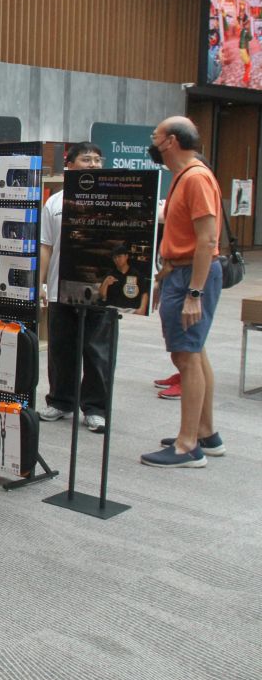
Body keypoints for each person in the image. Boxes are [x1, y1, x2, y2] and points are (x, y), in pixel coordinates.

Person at [142, 117, 224, 468]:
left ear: (171, 141)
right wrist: (166, 274)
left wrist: (194, 292)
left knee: (186, 357)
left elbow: (207, 240)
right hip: (182, 272)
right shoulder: (185, 177)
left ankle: (187, 445)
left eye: (156, 136)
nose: (152, 141)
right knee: (195, 352)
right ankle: (205, 432)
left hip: (193, 275)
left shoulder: (195, 178)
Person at [37, 141, 113, 433]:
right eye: (86, 159)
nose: (93, 164)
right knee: (61, 348)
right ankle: (61, 401)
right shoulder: (54, 202)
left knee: (97, 351)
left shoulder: (111, 198)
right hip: (60, 287)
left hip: (98, 290)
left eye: (97, 159)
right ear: (69, 164)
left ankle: (95, 408)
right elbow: (45, 246)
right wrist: (41, 284)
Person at [99, 245, 148, 314]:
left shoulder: (136, 274)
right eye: (115, 257)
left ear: (126, 256)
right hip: (113, 309)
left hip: (131, 310)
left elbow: (144, 293)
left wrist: (142, 308)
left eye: (119, 256)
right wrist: (106, 283)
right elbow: (102, 296)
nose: (117, 259)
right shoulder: (110, 274)